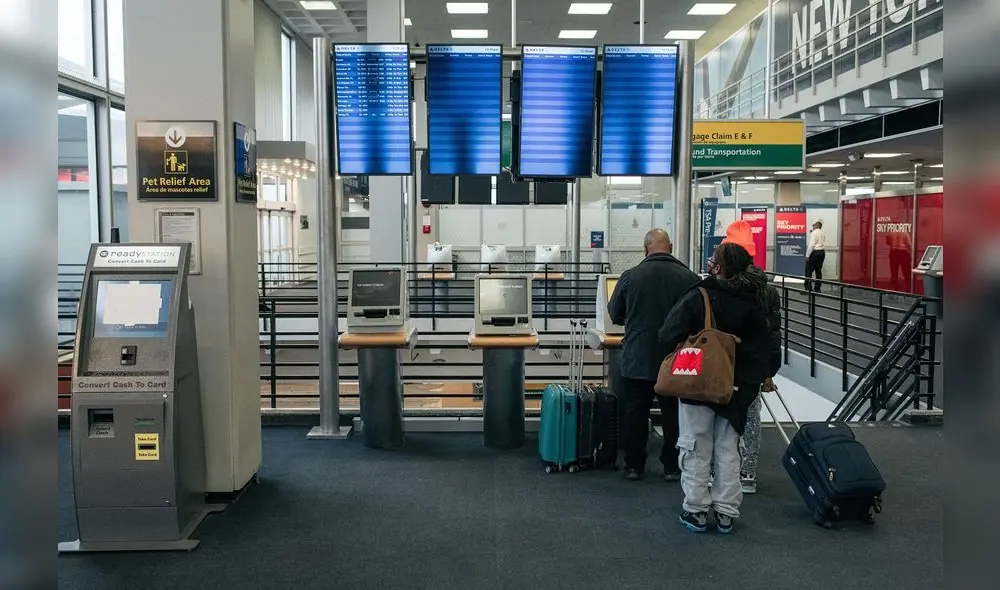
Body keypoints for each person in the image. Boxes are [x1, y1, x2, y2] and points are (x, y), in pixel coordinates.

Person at [658, 242, 780, 534]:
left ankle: (696, 510)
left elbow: (667, 333)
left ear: (719, 267)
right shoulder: (755, 299)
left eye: (713, 259)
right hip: (736, 389)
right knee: (729, 448)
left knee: (695, 445)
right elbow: (765, 345)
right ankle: (726, 512)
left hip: (699, 382)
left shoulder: (700, 296)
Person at [608, 229, 700, 482]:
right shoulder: (689, 278)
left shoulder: (630, 277)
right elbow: (698, 320)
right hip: (676, 358)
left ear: (644, 248)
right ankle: (672, 465)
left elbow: (615, 314)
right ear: (670, 246)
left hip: (638, 357)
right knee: (674, 413)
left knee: (636, 411)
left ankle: (634, 466)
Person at [711, 220, 783, 495]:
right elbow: (773, 333)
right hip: (753, 364)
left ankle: (719, 471)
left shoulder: (721, 285)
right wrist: (768, 371)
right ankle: (748, 472)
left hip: (724, 362)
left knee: (721, 416)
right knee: (752, 416)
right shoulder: (767, 288)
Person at [804, 220, 826, 292]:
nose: (813, 226)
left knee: (808, 271)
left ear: (818, 225)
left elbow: (811, 245)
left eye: (814, 225)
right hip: (822, 253)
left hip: (814, 253)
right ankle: (817, 288)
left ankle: (808, 288)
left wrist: (807, 256)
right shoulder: (822, 233)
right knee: (818, 271)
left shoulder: (814, 233)